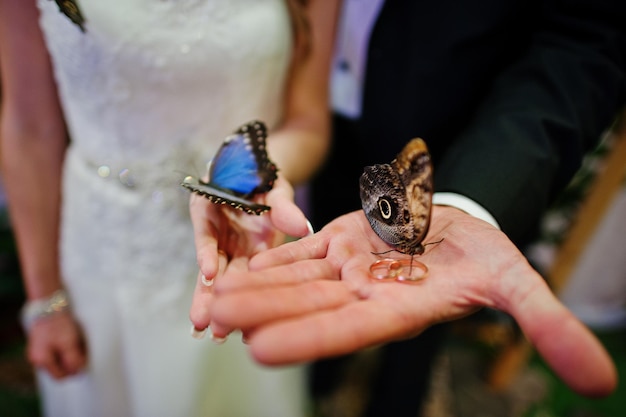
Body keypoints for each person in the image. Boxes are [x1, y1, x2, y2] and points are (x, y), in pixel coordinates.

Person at [189, 0, 626, 415]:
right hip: (327, 129)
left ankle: (396, 400)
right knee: (323, 250)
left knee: (413, 326)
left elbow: (584, 39)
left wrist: (465, 205)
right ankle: (323, 379)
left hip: (452, 126)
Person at [0, 0, 339, 416]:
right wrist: (45, 301)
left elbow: (307, 123)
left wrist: (254, 181)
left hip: (244, 251)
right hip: (101, 257)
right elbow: (29, 126)